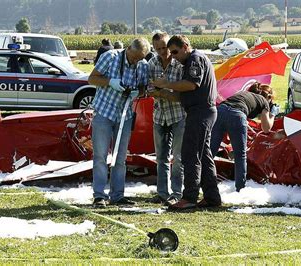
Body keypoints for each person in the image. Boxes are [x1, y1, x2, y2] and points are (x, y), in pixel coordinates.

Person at [151, 35, 221, 210]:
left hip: (200, 113)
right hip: (200, 111)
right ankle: (212, 197)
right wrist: (161, 92)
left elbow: (190, 85)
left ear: (185, 46)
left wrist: (167, 82)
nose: (173, 56)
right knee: (204, 156)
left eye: (175, 52)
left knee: (190, 154)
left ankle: (189, 196)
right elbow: (183, 94)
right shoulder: (190, 61)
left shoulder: (195, 59)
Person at [88, 38, 150, 208]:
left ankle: (117, 195)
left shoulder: (143, 65)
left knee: (120, 158)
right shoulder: (110, 57)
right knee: (100, 156)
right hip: (104, 112)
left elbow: (145, 87)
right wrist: (110, 82)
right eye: (134, 57)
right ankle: (99, 196)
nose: (135, 61)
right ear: (128, 48)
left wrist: (138, 92)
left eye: (140, 58)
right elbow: (92, 78)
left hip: (125, 115)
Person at [210, 83, 279, 192]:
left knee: (210, 152)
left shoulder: (243, 94)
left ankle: (200, 183)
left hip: (220, 111)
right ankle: (240, 189)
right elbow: (266, 128)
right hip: (237, 115)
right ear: (269, 98)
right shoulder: (264, 101)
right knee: (240, 155)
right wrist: (272, 114)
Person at [147, 32, 185, 205]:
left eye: (164, 47)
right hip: (159, 114)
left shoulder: (180, 64)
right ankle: (162, 193)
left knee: (177, 157)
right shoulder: (152, 63)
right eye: (158, 49)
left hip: (178, 114)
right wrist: (156, 91)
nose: (163, 51)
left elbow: (183, 91)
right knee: (161, 157)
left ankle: (177, 192)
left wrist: (161, 91)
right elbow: (148, 87)